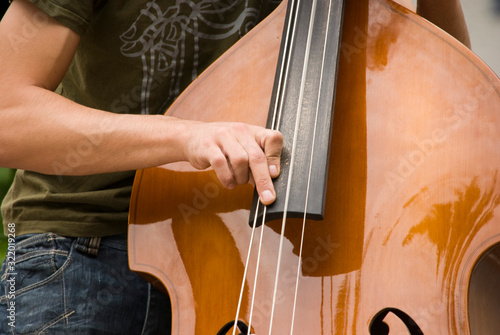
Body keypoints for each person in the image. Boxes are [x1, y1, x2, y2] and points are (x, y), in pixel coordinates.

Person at [0, 0, 470, 333]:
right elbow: (8, 116)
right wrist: (186, 136)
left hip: (252, 247)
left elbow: (450, 86)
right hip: (88, 243)